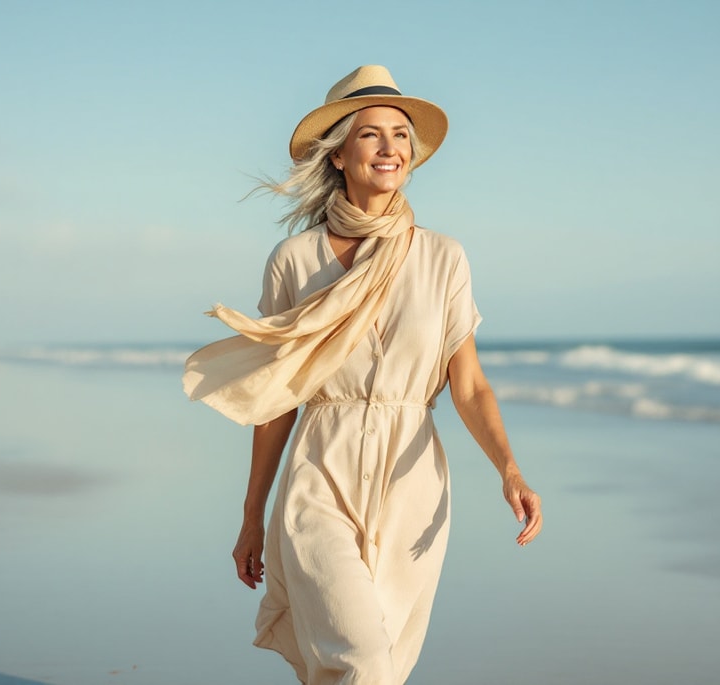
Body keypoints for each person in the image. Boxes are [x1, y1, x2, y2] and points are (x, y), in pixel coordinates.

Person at [183, 65, 542, 685]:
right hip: (319, 473)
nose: (390, 148)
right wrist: (251, 514)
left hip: (413, 483)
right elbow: (277, 399)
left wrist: (509, 469)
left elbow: (469, 384)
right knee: (362, 659)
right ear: (339, 155)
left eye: (401, 136)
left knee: (383, 667)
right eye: (371, 134)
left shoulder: (443, 257)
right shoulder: (294, 260)